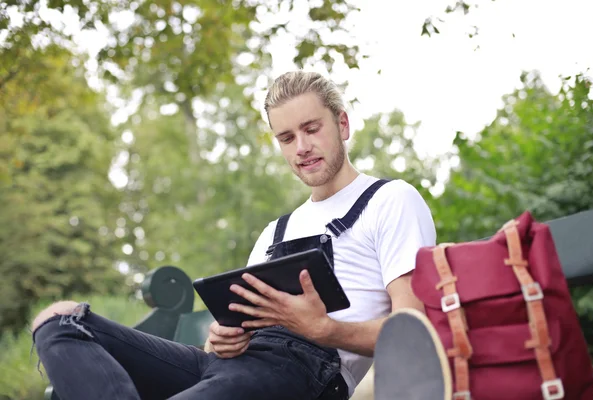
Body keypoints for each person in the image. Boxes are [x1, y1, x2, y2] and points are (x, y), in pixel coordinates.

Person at [31, 70, 437, 400]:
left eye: (311, 129)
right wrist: (221, 340)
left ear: (343, 124)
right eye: (286, 137)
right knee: (59, 320)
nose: (301, 148)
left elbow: (413, 332)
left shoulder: (391, 200)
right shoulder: (274, 233)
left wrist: (322, 329)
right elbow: (228, 339)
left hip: (305, 374)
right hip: (226, 369)